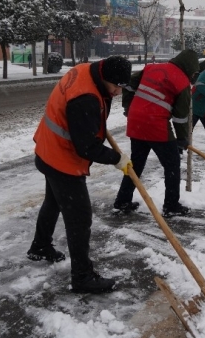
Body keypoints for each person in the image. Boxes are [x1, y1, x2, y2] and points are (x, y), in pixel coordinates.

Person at [27, 55, 132, 294]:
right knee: (80, 218)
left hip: (48, 148)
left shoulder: (87, 70)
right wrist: (117, 159)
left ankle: (40, 246)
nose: (117, 92)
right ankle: (82, 277)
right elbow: (86, 147)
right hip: (61, 159)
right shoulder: (85, 99)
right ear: (105, 78)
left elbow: (88, 123)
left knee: (53, 202)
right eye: (116, 87)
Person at [114, 49, 199, 217]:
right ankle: (171, 206)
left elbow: (128, 84)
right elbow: (181, 116)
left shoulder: (152, 67)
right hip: (155, 125)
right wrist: (182, 139)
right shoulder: (182, 82)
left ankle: (122, 201)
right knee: (172, 165)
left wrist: (128, 107)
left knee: (136, 164)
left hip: (136, 122)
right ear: (190, 67)